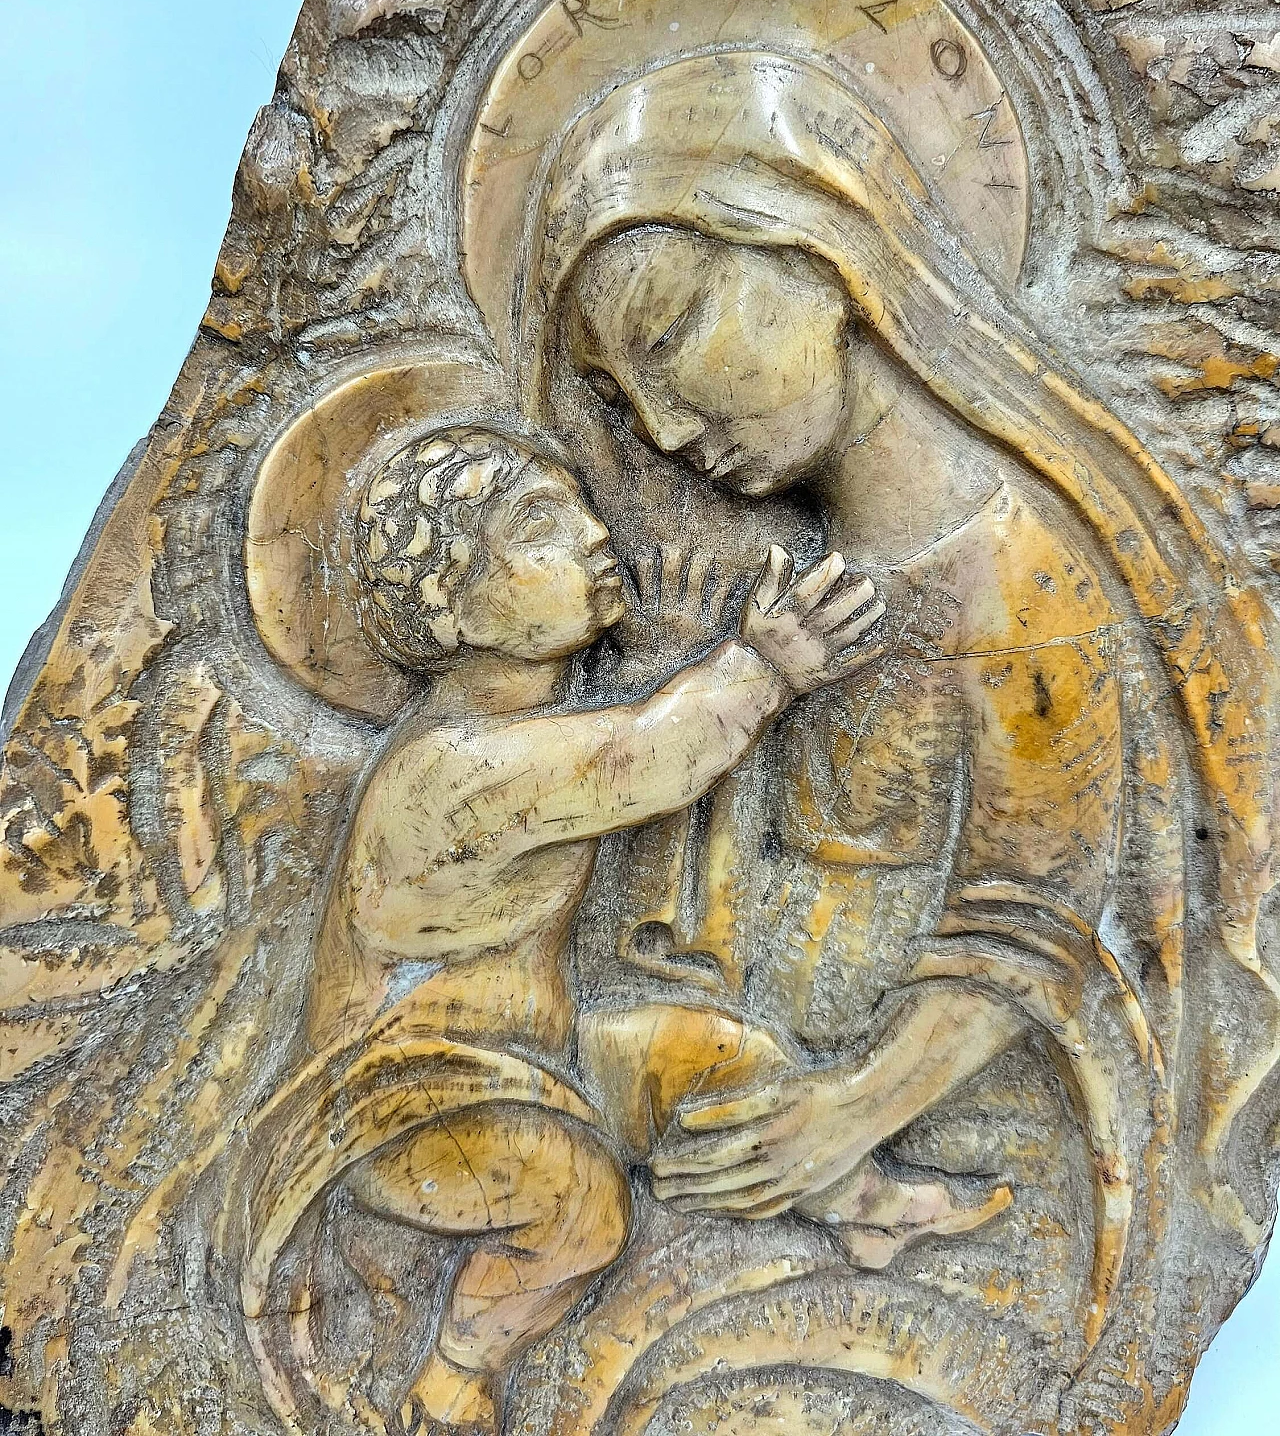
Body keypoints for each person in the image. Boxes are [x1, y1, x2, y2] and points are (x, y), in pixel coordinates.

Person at [509, 48, 1280, 1368]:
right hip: (743, 1128)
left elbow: (1032, 918)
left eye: (669, 339)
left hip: (938, 1148)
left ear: (815, 251)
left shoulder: (1018, 566)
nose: (664, 423)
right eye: (624, 397)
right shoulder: (786, 573)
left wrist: (851, 1110)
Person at [235, 423, 886, 1436]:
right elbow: (645, 762)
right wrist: (762, 665)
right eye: (538, 526)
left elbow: (620, 775)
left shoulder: (521, 735)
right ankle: (454, 1375)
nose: (593, 536)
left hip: (532, 1057)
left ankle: (872, 1212)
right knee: (577, 1204)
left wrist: (671, 661)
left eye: (578, 509)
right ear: (448, 607)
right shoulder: (451, 773)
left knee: (717, 1054)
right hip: (405, 1107)